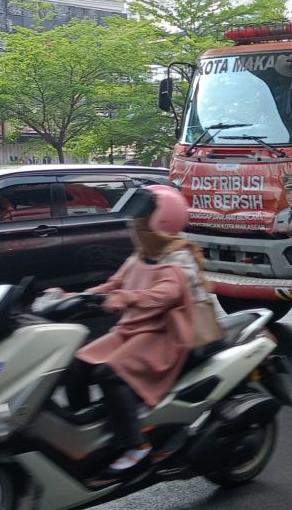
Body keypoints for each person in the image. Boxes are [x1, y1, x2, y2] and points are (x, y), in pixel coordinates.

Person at [61, 185, 219, 473]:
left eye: (139, 223)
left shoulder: (179, 256)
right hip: (139, 326)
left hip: (170, 333)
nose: (133, 228)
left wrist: (124, 298)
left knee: (111, 374)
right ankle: (87, 435)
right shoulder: (143, 253)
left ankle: (136, 446)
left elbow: (164, 296)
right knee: (77, 364)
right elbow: (114, 284)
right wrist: (72, 298)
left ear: (159, 224)